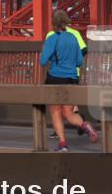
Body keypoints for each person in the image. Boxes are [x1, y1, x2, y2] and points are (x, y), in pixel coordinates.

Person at [40, 10, 97, 151]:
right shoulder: (73, 37)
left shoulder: (52, 38)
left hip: (55, 78)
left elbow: (42, 61)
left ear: (53, 22)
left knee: (56, 112)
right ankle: (85, 125)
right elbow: (79, 61)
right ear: (66, 22)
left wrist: (51, 56)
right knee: (69, 113)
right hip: (71, 79)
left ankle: (63, 144)